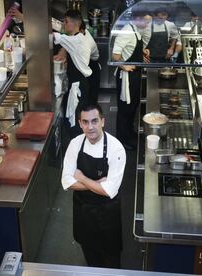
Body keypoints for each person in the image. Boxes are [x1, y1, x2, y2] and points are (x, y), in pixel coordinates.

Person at [61, 104, 126, 268]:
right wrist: (96, 184)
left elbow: (109, 190)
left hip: (107, 213)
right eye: (85, 122)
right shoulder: (75, 144)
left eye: (94, 121)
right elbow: (67, 182)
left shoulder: (115, 148)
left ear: (103, 122)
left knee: (111, 259)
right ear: (80, 123)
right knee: (90, 256)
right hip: (83, 211)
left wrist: (81, 178)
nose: (90, 127)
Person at [53, 10, 98, 138]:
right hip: (80, 83)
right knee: (77, 120)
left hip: (78, 86)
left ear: (73, 23)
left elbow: (51, 36)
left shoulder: (76, 40)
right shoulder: (78, 37)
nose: (64, 25)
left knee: (76, 123)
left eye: (66, 22)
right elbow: (66, 46)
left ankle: (79, 152)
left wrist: (24, 19)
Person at [112, 8, 149, 150]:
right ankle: (122, 139)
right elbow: (115, 55)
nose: (146, 25)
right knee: (124, 110)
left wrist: (142, 52)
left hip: (135, 75)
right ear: (137, 19)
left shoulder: (136, 30)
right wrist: (124, 66)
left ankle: (129, 133)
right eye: (145, 22)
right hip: (126, 77)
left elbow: (130, 49)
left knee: (132, 107)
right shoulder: (126, 31)